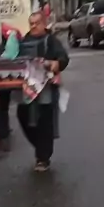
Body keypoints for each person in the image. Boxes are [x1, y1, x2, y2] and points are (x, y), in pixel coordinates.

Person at [17, 10, 69, 172]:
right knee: (23, 115)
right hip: (27, 89)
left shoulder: (51, 40)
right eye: (31, 23)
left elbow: (63, 57)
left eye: (37, 23)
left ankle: (43, 158)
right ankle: (40, 147)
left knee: (45, 122)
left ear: (44, 24)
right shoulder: (23, 41)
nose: (33, 26)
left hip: (46, 88)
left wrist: (57, 63)